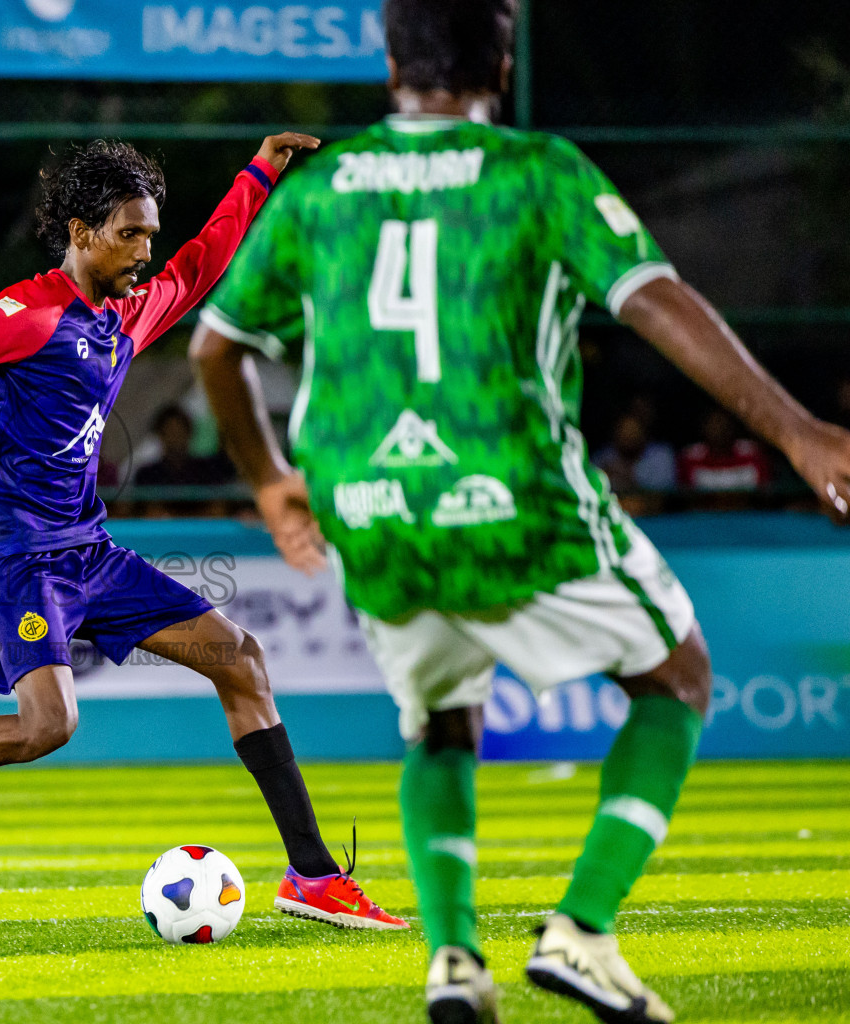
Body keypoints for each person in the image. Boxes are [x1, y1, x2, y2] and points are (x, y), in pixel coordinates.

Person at [191, 0, 850, 1020]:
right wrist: (800, 430)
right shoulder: (537, 170)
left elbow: (212, 348)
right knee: (677, 675)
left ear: (388, 63)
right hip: (512, 495)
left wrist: (270, 478)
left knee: (441, 727)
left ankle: (454, 960)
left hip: (368, 507)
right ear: (502, 59)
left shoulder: (322, 187)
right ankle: (583, 930)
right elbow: (653, 298)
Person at [0, 134, 409, 931]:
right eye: (129, 232)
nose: (144, 249)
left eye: (148, 234)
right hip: (14, 553)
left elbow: (201, 265)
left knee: (239, 658)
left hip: (84, 549)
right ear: (79, 231)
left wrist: (259, 173)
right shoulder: (28, 314)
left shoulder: (127, 313)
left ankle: (311, 877)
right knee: (48, 725)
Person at [133, 404, 233, 517]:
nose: (175, 437)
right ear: (160, 435)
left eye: (179, 431)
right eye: (170, 431)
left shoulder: (209, 469)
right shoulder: (147, 474)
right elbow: (151, 513)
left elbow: (218, 508)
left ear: (189, 433)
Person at [677, 406, 771, 500]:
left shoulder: (754, 454)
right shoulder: (690, 457)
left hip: (748, 513)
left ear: (733, 427)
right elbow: (686, 499)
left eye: (725, 424)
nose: (720, 430)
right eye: (714, 424)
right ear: (703, 428)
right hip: (703, 513)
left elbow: (765, 496)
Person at [595, 411, 676, 516]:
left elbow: (659, 500)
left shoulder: (661, 455)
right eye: (623, 431)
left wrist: (627, 477)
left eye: (633, 431)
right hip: (613, 516)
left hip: (653, 519)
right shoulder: (603, 458)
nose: (628, 436)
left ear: (643, 432)